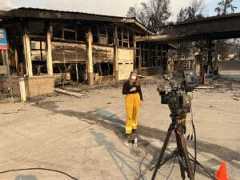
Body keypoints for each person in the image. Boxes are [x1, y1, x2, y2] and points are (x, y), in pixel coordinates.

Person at [122, 71, 143, 143]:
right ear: (130, 76)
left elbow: (140, 91)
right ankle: (128, 131)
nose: (134, 77)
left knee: (135, 114)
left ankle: (134, 128)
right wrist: (130, 90)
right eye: (132, 76)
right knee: (129, 115)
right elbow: (123, 92)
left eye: (135, 76)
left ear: (136, 76)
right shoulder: (126, 83)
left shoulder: (137, 83)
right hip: (129, 98)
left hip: (136, 98)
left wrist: (141, 99)